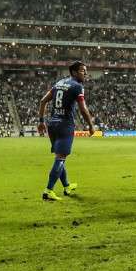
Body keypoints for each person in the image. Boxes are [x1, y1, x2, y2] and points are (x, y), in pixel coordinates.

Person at [37, 61, 95, 201]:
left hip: (52, 125)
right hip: (65, 125)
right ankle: (48, 190)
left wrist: (41, 121)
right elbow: (83, 109)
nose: (86, 73)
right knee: (60, 159)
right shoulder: (77, 86)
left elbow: (43, 101)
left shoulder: (59, 83)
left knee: (59, 157)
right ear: (74, 72)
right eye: (83, 71)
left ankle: (67, 186)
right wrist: (91, 125)